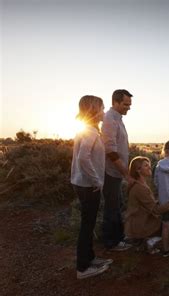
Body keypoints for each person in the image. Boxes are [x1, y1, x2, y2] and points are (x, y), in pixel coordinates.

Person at [71, 95, 113, 279]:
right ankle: (82, 268)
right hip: (89, 186)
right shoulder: (89, 131)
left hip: (83, 184)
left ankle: (90, 258)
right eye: (102, 108)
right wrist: (97, 180)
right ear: (94, 110)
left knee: (88, 222)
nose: (104, 111)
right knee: (87, 225)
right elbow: (83, 157)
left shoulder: (89, 130)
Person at [124, 156, 169, 254]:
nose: (149, 168)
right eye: (146, 166)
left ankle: (148, 240)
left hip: (138, 220)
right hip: (140, 224)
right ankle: (152, 242)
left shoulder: (140, 184)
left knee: (168, 220)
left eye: (149, 165)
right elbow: (155, 210)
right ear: (138, 170)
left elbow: (149, 204)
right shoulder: (140, 188)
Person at [101, 89, 133, 251]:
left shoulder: (118, 119)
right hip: (111, 172)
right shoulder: (109, 119)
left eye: (130, 104)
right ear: (115, 102)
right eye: (126, 104)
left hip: (117, 172)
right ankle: (110, 242)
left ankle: (118, 238)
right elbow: (111, 151)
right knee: (112, 206)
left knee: (117, 204)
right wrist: (127, 173)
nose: (129, 107)